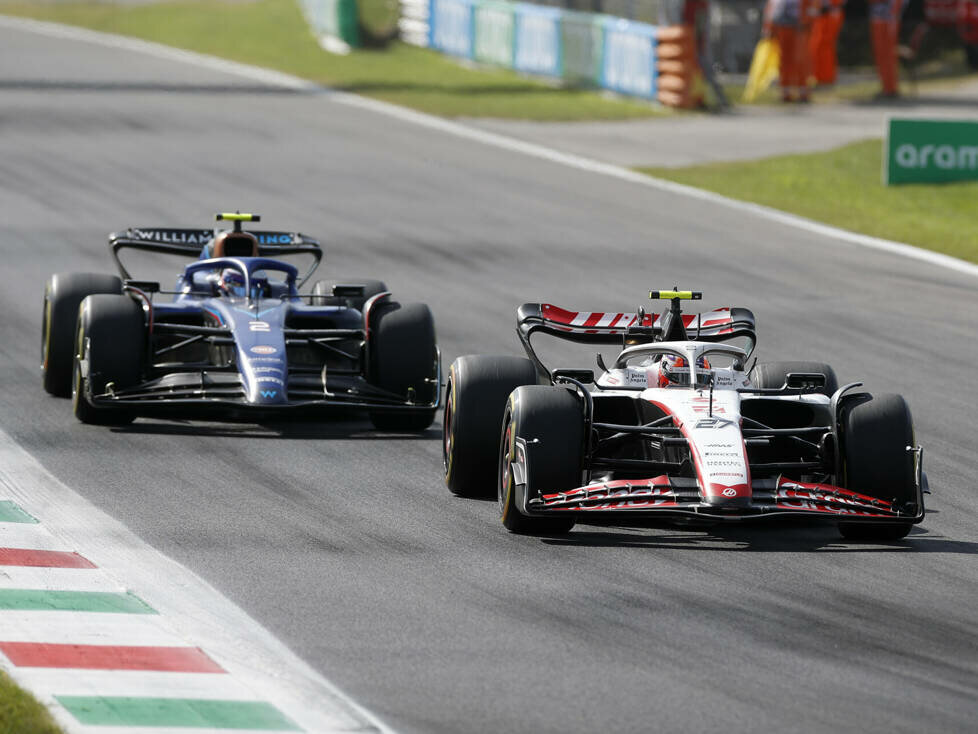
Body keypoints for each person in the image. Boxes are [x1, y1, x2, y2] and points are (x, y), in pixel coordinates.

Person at [763, 0, 820, 101]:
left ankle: (803, 92)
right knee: (784, 61)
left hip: (800, 28)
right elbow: (771, 9)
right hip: (782, 27)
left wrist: (808, 22)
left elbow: (813, 8)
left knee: (801, 60)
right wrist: (768, 28)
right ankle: (786, 92)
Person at [869, 0, 907, 97]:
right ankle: (886, 87)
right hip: (877, 18)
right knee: (880, 54)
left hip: (890, 19)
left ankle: (891, 88)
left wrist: (894, 12)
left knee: (888, 54)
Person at [809, 0, 845, 85]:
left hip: (830, 13)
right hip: (822, 14)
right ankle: (819, 76)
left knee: (824, 46)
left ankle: (826, 78)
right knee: (817, 46)